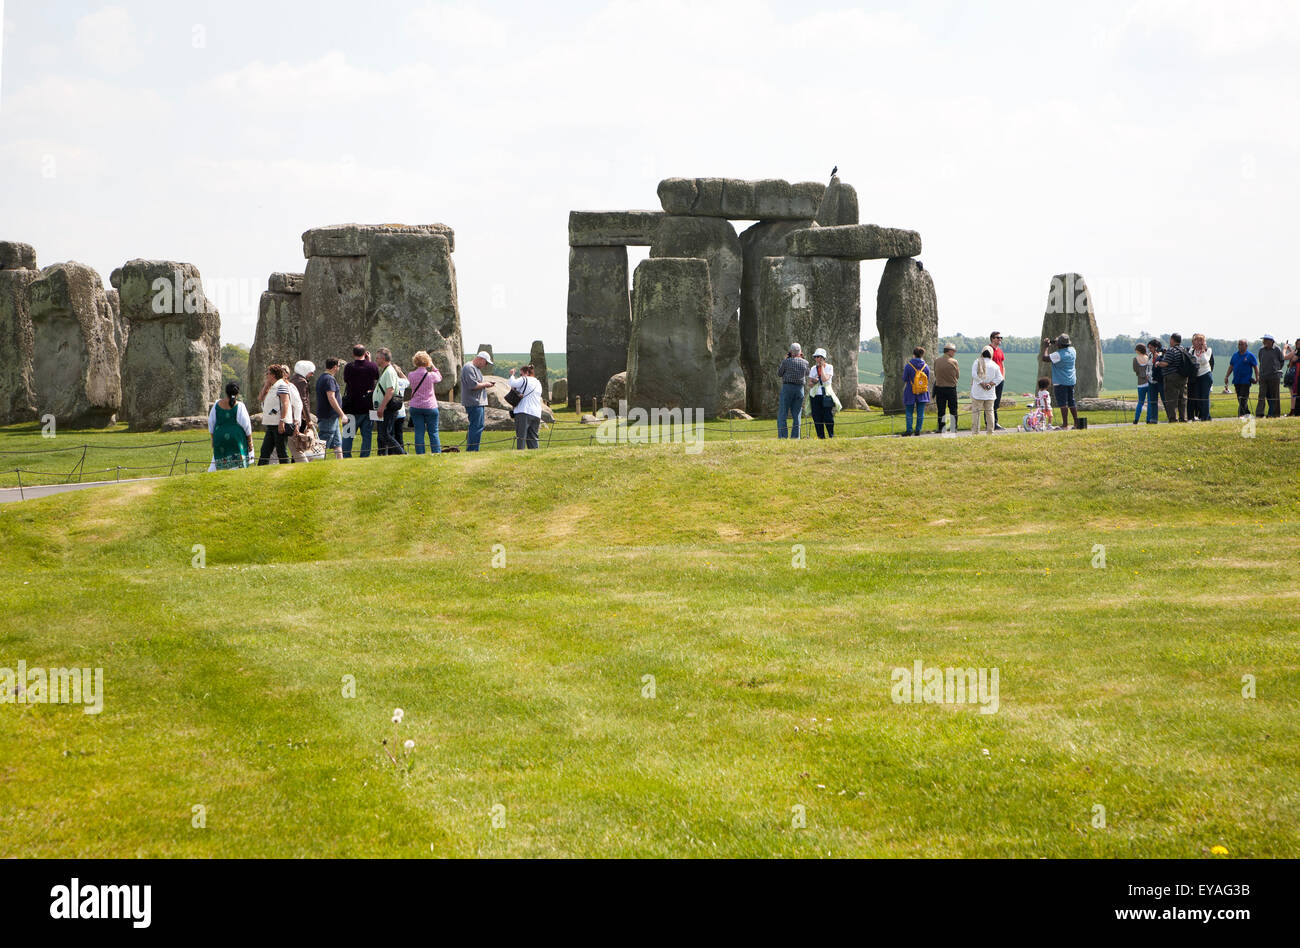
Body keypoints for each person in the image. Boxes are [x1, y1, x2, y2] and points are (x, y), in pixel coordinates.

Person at [342, 344, 379, 458]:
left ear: (353, 354)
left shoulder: (349, 367)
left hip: (351, 405)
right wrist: (370, 361)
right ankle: (365, 456)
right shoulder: (372, 366)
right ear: (365, 353)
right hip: (368, 405)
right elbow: (376, 377)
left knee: (348, 434)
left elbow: (346, 380)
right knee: (367, 435)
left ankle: (346, 456)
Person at [208, 381, 253, 470]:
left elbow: (211, 422)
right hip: (236, 437)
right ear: (237, 393)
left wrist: (213, 438)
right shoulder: (240, 406)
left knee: (220, 457)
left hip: (219, 436)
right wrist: (250, 442)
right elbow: (246, 425)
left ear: (226, 392)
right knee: (238, 464)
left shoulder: (217, 405)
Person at [257, 364, 295, 465]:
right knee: (265, 450)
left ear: (273, 375)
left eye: (268, 374)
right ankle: (260, 470)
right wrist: (266, 385)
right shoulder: (274, 386)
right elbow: (260, 398)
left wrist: (282, 421)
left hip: (279, 423)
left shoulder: (281, 385)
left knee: (281, 451)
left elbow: (285, 403)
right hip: (271, 424)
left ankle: (286, 471)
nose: (266, 375)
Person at [406, 351, 443, 455]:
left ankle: (420, 454)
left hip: (416, 406)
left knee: (419, 432)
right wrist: (433, 367)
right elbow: (439, 377)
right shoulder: (431, 375)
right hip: (430, 406)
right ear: (427, 362)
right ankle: (436, 453)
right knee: (433, 432)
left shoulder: (411, 375)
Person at [1040, 333, 1079, 430]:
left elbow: (1044, 358)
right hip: (1071, 380)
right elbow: (1062, 346)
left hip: (1060, 381)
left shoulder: (1058, 355)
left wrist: (1046, 347)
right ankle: (1076, 423)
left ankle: (1065, 425)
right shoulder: (1072, 351)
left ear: (1060, 345)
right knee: (1071, 402)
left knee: (1063, 403)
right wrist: (1055, 342)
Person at [372, 347, 406, 455]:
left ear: (383, 358)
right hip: (383, 408)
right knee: (382, 434)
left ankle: (401, 453)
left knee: (385, 434)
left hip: (387, 408)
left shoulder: (389, 371)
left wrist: (382, 407)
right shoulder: (386, 371)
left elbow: (390, 390)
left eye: (377, 358)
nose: (376, 360)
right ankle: (382, 455)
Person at [461, 351, 494, 451]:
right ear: (481, 359)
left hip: (478, 402)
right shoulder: (469, 367)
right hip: (473, 402)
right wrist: (486, 384)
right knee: (476, 427)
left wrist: (484, 383)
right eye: (486, 362)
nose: (486, 365)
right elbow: (473, 385)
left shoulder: (476, 368)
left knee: (478, 426)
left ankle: (473, 449)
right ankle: (472, 450)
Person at [1155, 332, 1191, 423]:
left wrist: (1158, 363)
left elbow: (1166, 363)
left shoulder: (1171, 350)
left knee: (1171, 399)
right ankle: (1183, 418)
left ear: (1172, 340)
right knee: (1182, 398)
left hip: (1172, 377)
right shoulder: (1183, 349)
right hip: (1183, 377)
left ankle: (1173, 418)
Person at [315, 358, 347, 460]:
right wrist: (342, 414)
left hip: (332, 417)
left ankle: (340, 464)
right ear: (334, 367)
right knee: (321, 445)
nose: (338, 368)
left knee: (337, 444)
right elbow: (331, 397)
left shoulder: (322, 377)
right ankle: (309, 463)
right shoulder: (329, 379)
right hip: (328, 416)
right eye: (338, 366)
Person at [508, 364, 544, 449]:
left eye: (521, 374)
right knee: (533, 437)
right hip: (536, 413)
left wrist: (512, 375)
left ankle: (520, 454)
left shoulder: (525, 379)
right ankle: (534, 455)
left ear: (526, 373)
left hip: (523, 411)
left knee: (521, 437)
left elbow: (512, 383)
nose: (520, 376)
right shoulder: (538, 383)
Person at [776, 343, 809, 439]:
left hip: (787, 388)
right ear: (800, 352)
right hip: (799, 389)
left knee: (783, 413)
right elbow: (807, 373)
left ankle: (783, 436)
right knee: (797, 414)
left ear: (790, 352)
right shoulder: (805, 362)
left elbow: (779, 373)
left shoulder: (786, 362)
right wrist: (802, 358)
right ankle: (795, 437)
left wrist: (786, 359)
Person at [970, 346, 1003, 435]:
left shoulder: (977, 362)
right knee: (990, 412)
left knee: (976, 413)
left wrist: (981, 383)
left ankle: (975, 432)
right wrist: (990, 384)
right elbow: (1000, 378)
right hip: (990, 393)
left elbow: (974, 374)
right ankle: (990, 432)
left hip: (978, 393)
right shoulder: (994, 365)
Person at [901, 347, 931, 436]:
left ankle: (909, 430)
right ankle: (918, 430)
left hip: (910, 391)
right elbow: (927, 379)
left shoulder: (908, 365)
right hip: (922, 391)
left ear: (913, 354)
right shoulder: (926, 366)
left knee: (909, 411)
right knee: (920, 412)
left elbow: (905, 378)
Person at [806, 348, 836, 439]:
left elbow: (824, 379)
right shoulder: (813, 368)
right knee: (817, 417)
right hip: (815, 395)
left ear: (823, 358)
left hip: (826, 394)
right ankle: (821, 436)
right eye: (815, 357)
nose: (816, 359)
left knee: (828, 416)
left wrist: (822, 367)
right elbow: (810, 384)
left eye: (818, 357)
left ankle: (831, 435)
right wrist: (814, 381)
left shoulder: (829, 367)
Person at [1224, 339, 1258, 418]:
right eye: (1239, 344)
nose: (1240, 346)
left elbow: (1255, 367)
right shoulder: (1235, 355)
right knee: (1240, 399)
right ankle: (1247, 414)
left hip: (1246, 381)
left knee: (1243, 398)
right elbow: (1231, 366)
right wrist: (1227, 376)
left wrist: (1257, 378)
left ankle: (1241, 415)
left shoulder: (1250, 355)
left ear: (1246, 346)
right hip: (1237, 380)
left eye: (1242, 344)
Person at [933, 343, 960, 433]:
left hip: (939, 388)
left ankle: (941, 428)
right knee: (953, 408)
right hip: (951, 388)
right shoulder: (954, 361)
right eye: (954, 351)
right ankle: (953, 427)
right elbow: (957, 375)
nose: (955, 352)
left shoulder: (937, 360)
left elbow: (936, 374)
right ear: (949, 351)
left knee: (941, 409)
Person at [1255, 334, 1285, 418]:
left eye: (1266, 340)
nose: (1264, 341)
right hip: (1263, 376)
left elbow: (1282, 361)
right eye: (1264, 340)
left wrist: (1276, 369)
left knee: (1275, 396)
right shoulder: (1261, 350)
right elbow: (1261, 360)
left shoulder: (1277, 349)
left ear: (1271, 341)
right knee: (1262, 395)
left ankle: (1274, 414)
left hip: (1274, 377)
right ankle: (1259, 413)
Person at [1188, 334, 1214, 421]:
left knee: (1205, 397)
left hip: (1205, 374)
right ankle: (1205, 415)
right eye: (1196, 341)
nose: (1198, 343)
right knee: (1198, 397)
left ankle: (1205, 417)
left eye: (1200, 341)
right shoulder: (1192, 351)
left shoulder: (1208, 350)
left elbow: (1204, 361)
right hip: (1197, 376)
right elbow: (1190, 360)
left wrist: (1202, 351)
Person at [1132, 343, 1157, 424]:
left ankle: (1136, 419)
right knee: (1149, 402)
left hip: (1140, 383)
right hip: (1148, 382)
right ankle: (1148, 419)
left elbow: (1135, 370)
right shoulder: (1148, 357)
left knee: (1140, 402)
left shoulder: (1135, 359)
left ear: (1138, 350)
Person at [988, 331, 1007, 429]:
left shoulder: (1000, 351)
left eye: (1001, 337)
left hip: (1000, 380)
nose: (1000, 339)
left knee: (996, 402)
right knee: (990, 401)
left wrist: (1003, 377)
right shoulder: (988, 349)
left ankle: (995, 422)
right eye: (998, 337)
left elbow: (1002, 365)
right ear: (992, 339)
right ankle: (991, 423)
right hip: (991, 380)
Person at [1147, 339, 1166, 423]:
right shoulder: (1149, 355)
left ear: (1156, 347)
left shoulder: (1162, 355)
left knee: (1164, 399)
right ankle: (1154, 419)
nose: (1149, 349)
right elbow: (1148, 366)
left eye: (1151, 348)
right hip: (1151, 381)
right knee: (1153, 401)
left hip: (1160, 381)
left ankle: (1171, 416)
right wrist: (1147, 374)